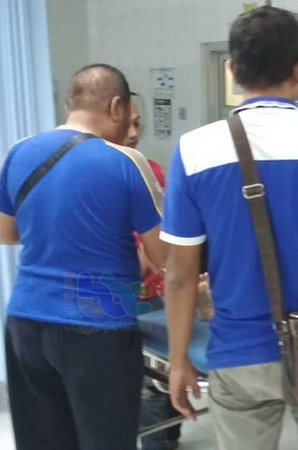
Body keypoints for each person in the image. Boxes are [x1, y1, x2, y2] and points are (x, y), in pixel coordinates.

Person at [159, 6, 298, 450]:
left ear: (233, 70)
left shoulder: (193, 151)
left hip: (236, 351)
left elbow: (180, 274)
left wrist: (178, 359)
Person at [0, 64, 166, 450]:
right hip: (97, 317)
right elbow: (163, 253)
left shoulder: (19, 151)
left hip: (26, 317)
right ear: (117, 107)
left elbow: (6, 234)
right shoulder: (127, 162)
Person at [125, 94, 183, 450]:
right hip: (117, 299)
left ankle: (166, 438)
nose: (134, 133)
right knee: (142, 385)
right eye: (127, 123)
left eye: (138, 124)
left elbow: (163, 245)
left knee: (160, 380)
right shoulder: (96, 175)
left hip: (156, 296)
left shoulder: (151, 172)